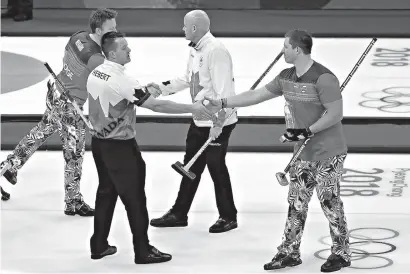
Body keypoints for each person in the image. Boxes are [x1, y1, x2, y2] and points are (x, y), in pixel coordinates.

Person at [204, 29, 351, 272]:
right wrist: (223, 102)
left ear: (297, 49)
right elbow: (256, 95)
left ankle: (342, 252)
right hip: (302, 153)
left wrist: (307, 131)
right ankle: (289, 252)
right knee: (296, 203)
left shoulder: (324, 78)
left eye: (285, 47)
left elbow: (336, 114)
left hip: (330, 152)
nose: (282, 51)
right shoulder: (286, 77)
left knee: (329, 201)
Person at [86, 31, 215, 263]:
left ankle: (98, 244)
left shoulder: (97, 72)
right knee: (135, 199)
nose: (129, 50)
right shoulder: (123, 80)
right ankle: (142, 250)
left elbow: (126, 95)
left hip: (99, 143)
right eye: (125, 48)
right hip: (121, 148)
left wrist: (144, 91)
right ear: (113, 52)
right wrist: (192, 108)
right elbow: (155, 106)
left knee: (106, 192)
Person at [0, 8, 118, 217]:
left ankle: (9, 165)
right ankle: (73, 201)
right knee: (74, 154)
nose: (116, 31)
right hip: (70, 107)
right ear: (99, 30)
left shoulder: (78, 37)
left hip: (56, 91)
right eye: (112, 28)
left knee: (41, 131)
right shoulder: (96, 58)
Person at [148, 9, 239, 234]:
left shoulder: (216, 51)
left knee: (216, 168)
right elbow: (188, 80)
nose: (183, 28)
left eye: (185, 25)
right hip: (200, 119)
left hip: (218, 122)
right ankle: (179, 213)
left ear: (195, 28)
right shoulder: (195, 49)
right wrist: (160, 88)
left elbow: (223, 91)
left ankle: (228, 216)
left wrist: (219, 124)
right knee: (190, 165)